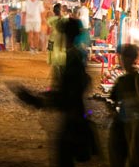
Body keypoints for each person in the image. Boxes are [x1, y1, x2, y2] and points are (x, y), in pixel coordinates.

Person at [10, 18, 96, 166]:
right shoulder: (76, 56)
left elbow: (66, 94)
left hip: (72, 119)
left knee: (64, 159)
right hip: (74, 116)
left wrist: (35, 100)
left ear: (65, 36)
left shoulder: (72, 59)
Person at [108, 44, 139, 167]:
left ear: (130, 59)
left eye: (124, 58)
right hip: (130, 127)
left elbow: (112, 101)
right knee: (133, 159)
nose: (122, 61)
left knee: (125, 159)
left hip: (131, 128)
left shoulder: (130, 81)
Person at [46, 3, 66, 90]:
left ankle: (55, 84)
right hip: (62, 42)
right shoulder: (65, 20)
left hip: (53, 40)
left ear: (54, 11)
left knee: (55, 64)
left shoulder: (51, 19)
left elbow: (49, 30)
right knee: (62, 63)